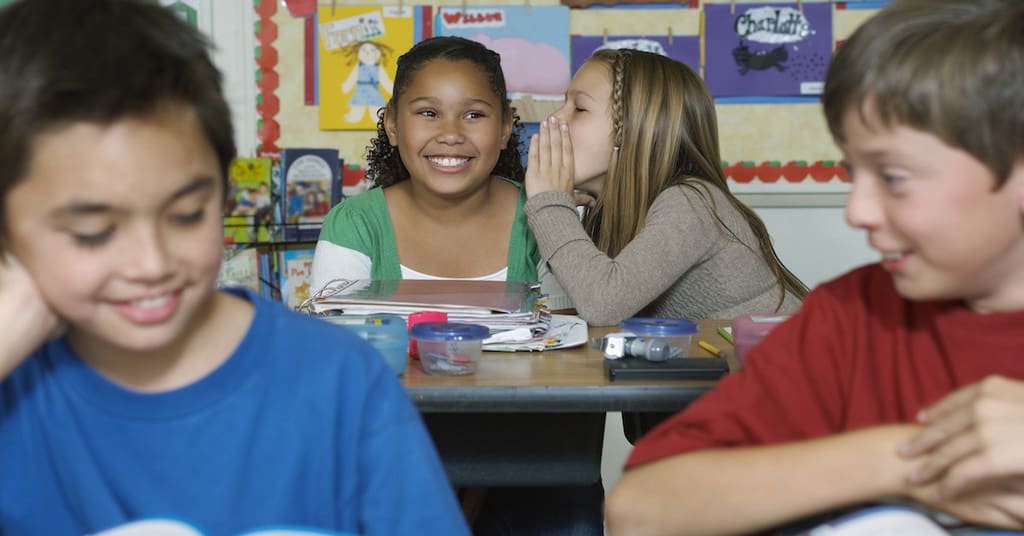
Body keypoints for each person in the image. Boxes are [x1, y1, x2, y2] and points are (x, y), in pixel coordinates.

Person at [0, 1, 468, 534]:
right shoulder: (14, 389)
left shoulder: (340, 382)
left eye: (186, 214)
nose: (151, 264)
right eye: (93, 232)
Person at [603, 0, 1024, 534]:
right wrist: (907, 461)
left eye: (893, 176)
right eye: (854, 171)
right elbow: (640, 509)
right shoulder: (854, 316)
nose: (858, 211)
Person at [524, 48, 806, 327]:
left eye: (579, 108)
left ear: (634, 129)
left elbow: (602, 304)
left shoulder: (691, 202)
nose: (554, 118)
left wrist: (551, 206)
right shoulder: (608, 209)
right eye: (564, 103)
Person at [311, 36, 568, 309]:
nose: (450, 135)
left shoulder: (543, 216)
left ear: (505, 127)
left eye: (473, 115)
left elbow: (569, 337)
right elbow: (333, 342)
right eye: (429, 112)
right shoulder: (355, 224)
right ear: (393, 124)